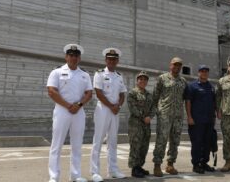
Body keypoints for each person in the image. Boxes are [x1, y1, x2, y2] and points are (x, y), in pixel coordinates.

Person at [47, 44, 93, 182]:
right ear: (66, 57)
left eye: (76, 56)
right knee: (57, 144)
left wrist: (78, 105)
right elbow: (51, 91)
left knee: (77, 144)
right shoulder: (57, 72)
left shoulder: (84, 74)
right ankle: (54, 176)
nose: (73, 58)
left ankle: (75, 175)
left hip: (78, 111)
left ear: (79, 58)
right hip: (62, 110)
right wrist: (68, 105)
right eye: (71, 55)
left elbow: (89, 93)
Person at [90, 48, 127, 182]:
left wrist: (118, 106)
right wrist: (111, 106)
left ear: (117, 61)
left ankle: (113, 170)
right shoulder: (99, 74)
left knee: (113, 141)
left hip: (115, 111)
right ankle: (95, 172)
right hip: (103, 110)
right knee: (98, 140)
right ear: (106, 60)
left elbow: (122, 94)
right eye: (109, 59)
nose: (111, 61)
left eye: (114, 59)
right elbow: (98, 93)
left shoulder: (119, 76)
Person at [152, 57, 188, 177]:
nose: (177, 67)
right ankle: (157, 165)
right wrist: (156, 111)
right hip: (164, 115)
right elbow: (155, 96)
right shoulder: (162, 78)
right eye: (175, 65)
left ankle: (170, 164)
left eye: (179, 65)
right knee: (161, 140)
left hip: (178, 116)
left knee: (175, 141)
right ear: (170, 65)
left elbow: (185, 98)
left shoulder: (183, 81)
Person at [186, 65, 216, 174]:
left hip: (209, 120)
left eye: (206, 71)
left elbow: (214, 103)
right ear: (198, 73)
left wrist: (215, 116)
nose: (204, 73)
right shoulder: (192, 86)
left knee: (207, 143)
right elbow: (188, 102)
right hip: (197, 121)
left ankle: (204, 163)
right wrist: (189, 117)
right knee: (197, 143)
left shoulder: (211, 87)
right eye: (202, 71)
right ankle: (196, 164)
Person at [127, 71, 155, 178]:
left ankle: (139, 166)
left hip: (146, 125)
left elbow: (153, 107)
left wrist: (150, 117)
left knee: (144, 147)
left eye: (145, 79)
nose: (143, 81)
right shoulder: (132, 93)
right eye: (140, 79)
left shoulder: (149, 95)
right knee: (135, 146)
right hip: (136, 125)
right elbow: (132, 108)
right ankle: (134, 169)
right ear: (137, 80)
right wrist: (144, 117)